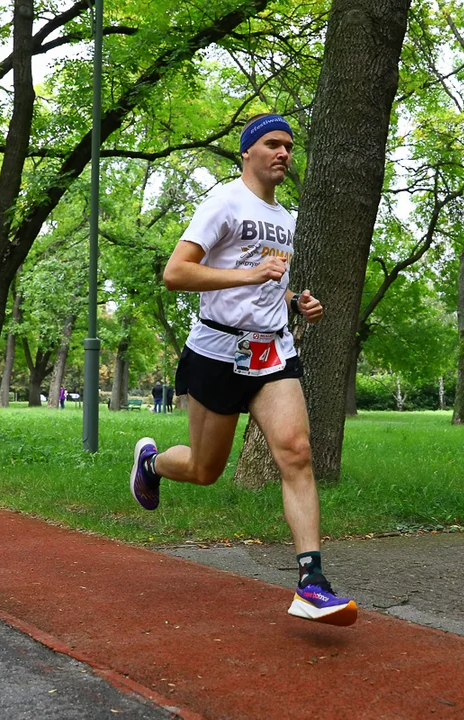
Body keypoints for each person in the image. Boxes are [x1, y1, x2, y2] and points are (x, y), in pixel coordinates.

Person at [128, 113, 356, 627]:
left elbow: (269, 288)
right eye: (273, 144)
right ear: (247, 152)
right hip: (216, 350)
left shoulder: (288, 221)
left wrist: (298, 301)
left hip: (272, 352)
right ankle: (152, 464)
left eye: (290, 147)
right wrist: (246, 273)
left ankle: (311, 582)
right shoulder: (224, 202)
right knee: (205, 470)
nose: (283, 153)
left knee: (297, 452)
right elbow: (175, 273)